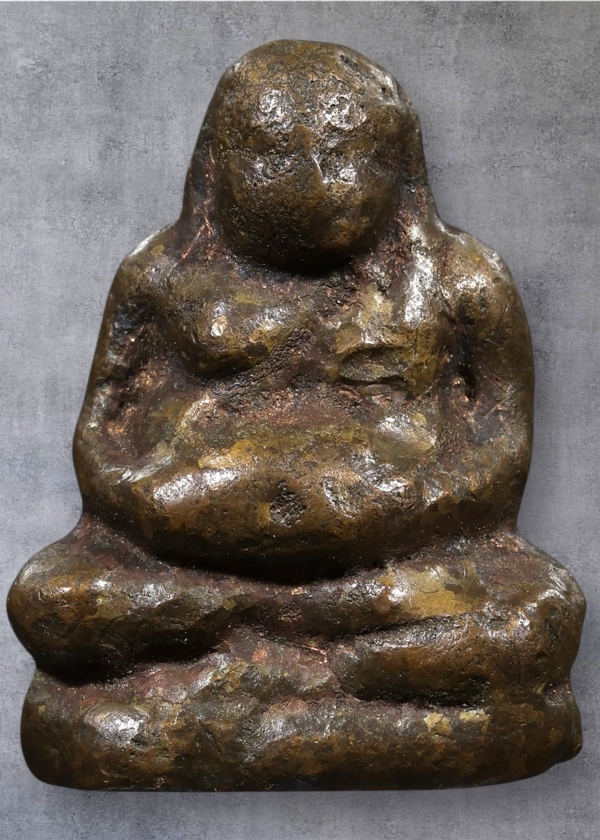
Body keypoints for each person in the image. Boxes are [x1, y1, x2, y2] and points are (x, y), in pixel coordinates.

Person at [8, 40, 584, 790]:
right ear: (218, 162)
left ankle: (281, 673)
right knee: (51, 601)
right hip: (188, 576)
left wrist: (411, 504)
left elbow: (502, 445)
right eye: (276, 155)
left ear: (398, 164)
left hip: (395, 575)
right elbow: (101, 434)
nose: (314, 182)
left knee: (536, 614)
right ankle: (315, 671)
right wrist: (150, 507)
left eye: (344, 156)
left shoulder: (460, 280)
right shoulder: (160, 274)